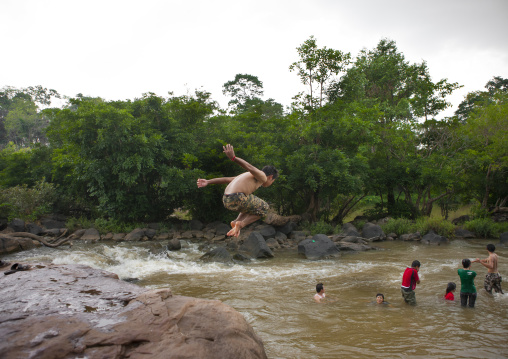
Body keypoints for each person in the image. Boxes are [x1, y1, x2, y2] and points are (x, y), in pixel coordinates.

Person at [197, 144, 298, 237]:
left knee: (250, 202)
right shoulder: (262, 176)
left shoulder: (245, 176)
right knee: (264, 207)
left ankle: (236, 222)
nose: (270, 184)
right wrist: (233, 158)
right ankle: (241, 224)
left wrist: (208, 181)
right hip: (237, 197)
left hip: (226, 199)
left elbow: (227, 179)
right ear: (271, 177)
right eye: (273, 181)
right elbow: (249, 166)